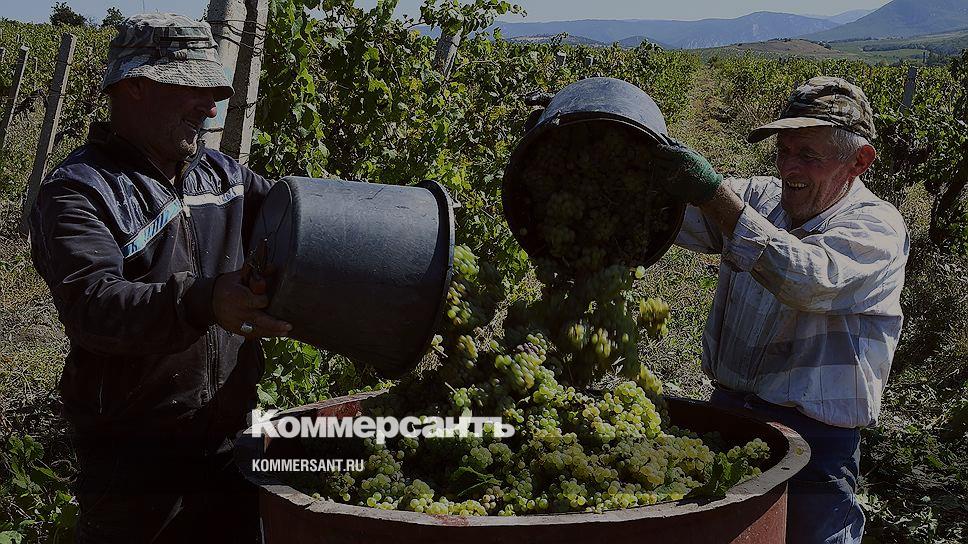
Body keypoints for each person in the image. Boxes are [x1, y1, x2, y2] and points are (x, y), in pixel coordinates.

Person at [28, 13, 292, 543]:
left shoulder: (223, 176)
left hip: (231, 446)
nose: (210, 107)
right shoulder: (81, 191)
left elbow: (299, 222)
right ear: (135, 87)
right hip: (135, 469)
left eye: (214, 92)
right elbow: (94, 306)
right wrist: (204, 301)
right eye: (193, 88)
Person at [654, 76, 909, 543]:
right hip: (730, 419)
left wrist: (714, 196)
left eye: (808, 155)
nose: (790, 166)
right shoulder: (760, 199)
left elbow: (807, 279)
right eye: (784, 151)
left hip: (815, 442)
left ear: (859, 162)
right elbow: (666, 215)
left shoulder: (876, 228)